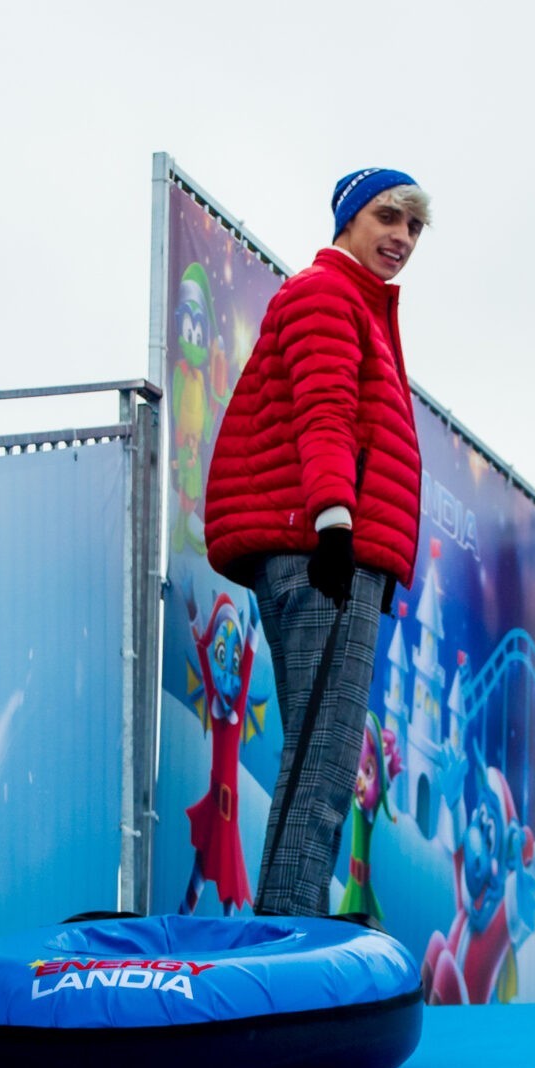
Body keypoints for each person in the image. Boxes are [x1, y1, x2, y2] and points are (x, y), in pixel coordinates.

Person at [203, 169, 430, 916]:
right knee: (323, 760)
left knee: (322, 757)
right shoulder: (329, 295)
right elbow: (325, 413)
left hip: (334, 551)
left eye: (413, 226)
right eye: (387, 217)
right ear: (348, 219)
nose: (401, 237)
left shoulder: (358, 305)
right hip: (325, 551)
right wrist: (335, 525)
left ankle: (286, 925)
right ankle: (288, 936)